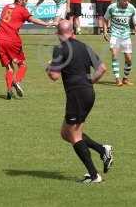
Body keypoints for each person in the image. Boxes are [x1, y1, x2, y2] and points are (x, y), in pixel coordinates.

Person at [46, 20, 113, 183]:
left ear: (57, 33)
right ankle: (102, 149)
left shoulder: (60, 49)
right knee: (65, 133)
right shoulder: (84, 46)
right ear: (73, 31)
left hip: (76, 95)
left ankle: (94, 175)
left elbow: (54, 76)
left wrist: (49, 67)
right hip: (88, 93)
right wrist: (90, 82)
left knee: (74, 135)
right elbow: (102, 68)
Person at [0, 0, 50, 99]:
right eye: (25, 1)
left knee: (9, 68)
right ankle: (16, 81)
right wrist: (47, 23)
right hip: (12, 40)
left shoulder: (6, 7)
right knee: (22, 65)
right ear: (19, 0)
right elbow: (33, 19)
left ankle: (9, 90)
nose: (26, 3)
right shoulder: (22, 10)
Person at [103, 0, 136, 86]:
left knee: (128, 59)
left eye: (128, 0)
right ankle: (117, 79)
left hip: (126, 36)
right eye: (125, 0)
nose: (127, 2)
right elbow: (105, 19)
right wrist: (105, 31)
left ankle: (125, 78)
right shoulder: (112, 7)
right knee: (114, 55)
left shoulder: (132, 8)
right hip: (115, 35)